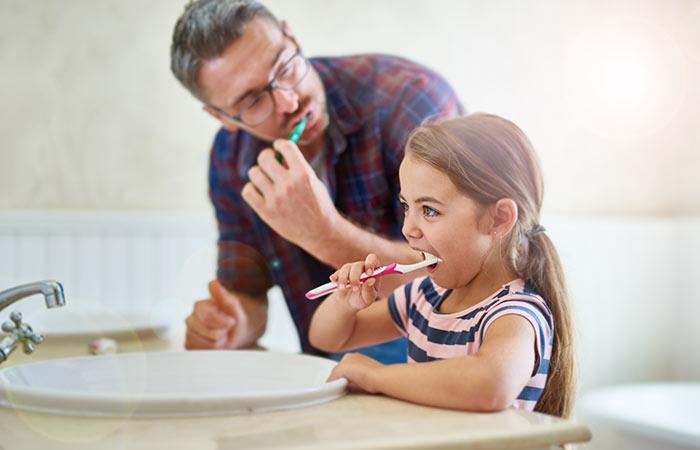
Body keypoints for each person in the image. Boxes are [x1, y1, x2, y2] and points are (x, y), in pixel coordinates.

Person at [169, 0, 463, 362]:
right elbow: (248, 294)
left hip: (444, 368)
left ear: (292, 36)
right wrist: (232, 325)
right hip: (327, 376)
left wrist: (322, 232)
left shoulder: (408, 101)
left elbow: (457, 271)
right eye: (252, 100)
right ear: (221, 117)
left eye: (284, 67)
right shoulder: (231, 159)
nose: (288, 101)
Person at [309, 114, 575, 417]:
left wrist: (376, 376)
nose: (409, 228)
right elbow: (329, 338)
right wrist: (346, 302)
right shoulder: (424, 296)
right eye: (407, 207)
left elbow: (490, 384)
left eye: (429, 210)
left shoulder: (514, 312)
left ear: (499, 218)